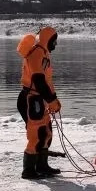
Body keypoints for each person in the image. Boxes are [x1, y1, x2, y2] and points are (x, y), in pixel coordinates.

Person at [16, 25, 62, 179]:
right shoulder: (37, 53)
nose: (55, 45)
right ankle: (28, 170)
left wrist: (53, 99)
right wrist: (51, 99)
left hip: (40, 99)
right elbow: (38, 80)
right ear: (47, 40)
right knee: (36, 135)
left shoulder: (44, 54)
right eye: (54, 42)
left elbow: (47, 82)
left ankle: (42, 166)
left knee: (46, 133)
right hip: (31, 99)